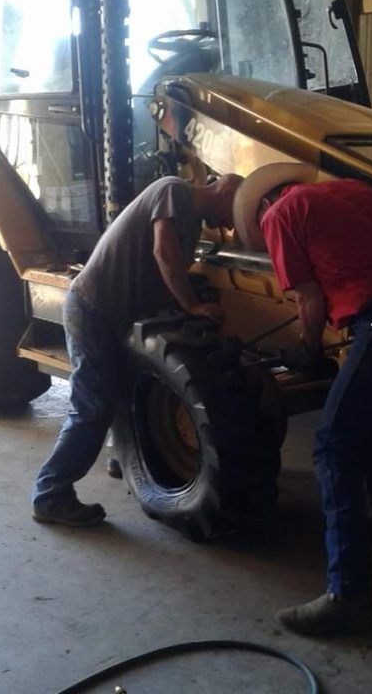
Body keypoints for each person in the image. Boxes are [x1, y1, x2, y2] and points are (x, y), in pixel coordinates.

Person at [235, 166, 372, 637]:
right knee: (358, 424)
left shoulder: (279, 215)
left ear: (263, 203)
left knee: (330, 443)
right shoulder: (353, 190)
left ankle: (347, 596)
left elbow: (309, 298)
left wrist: (306, 349)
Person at [32, 173, 242, 528]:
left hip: (118, 313)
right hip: (93, 307)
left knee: (126, 391)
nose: (231, 224)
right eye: (234, 212)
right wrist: (191, 306)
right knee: (92, 405)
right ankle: (50, 494)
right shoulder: (175, 190)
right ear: (224, 192)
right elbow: (163, 251)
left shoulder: (190, 220)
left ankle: (124, 458)